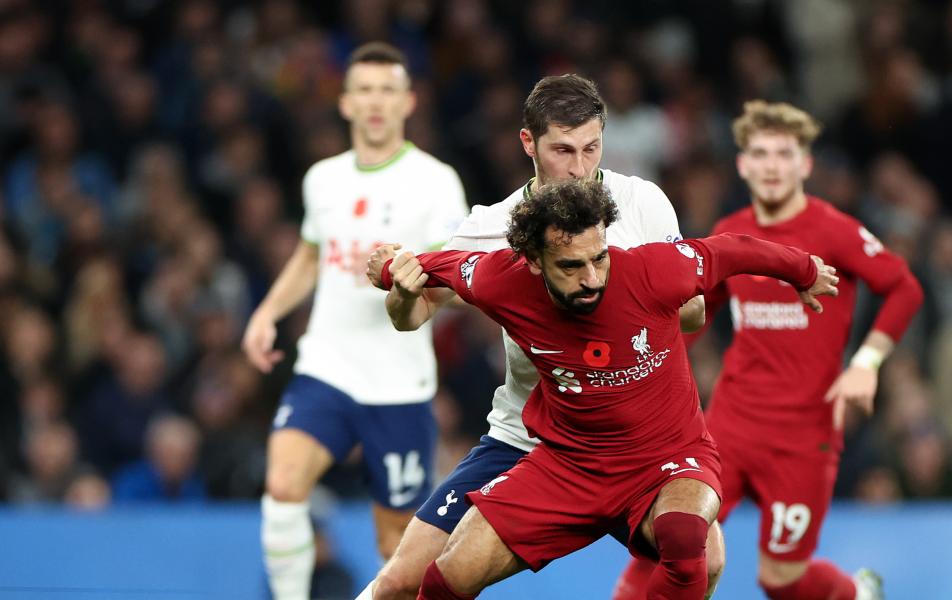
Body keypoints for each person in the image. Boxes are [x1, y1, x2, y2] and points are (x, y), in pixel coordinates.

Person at [382, 177, 839, 600]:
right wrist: (387, 269)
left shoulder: (654, 270)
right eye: (571, 265)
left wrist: (803, 271)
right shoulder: (500, 280)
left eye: (598, 258)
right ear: (534, 261)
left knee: (687, 541)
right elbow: (433, 266)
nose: (592, 278)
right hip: (568, 463)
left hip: (666, 458)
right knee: (451, 573)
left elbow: (733, 251)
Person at [356, 74, 721, 600]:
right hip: (529, 441)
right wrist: (403, 291)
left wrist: (619, 290)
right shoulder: (491, 227)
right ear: (528, 143)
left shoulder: (641, 202)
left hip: (639, 446)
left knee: (703, 560)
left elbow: (692, 314)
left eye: (591, 148)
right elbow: (411, 316)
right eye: (563, 150)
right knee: (399, 582)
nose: (580, 168)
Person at [613, 100, 924, 600]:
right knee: (665, 541)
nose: (772, 166)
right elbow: (698, 312)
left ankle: (858, 593)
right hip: (729, 425)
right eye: (760, 154)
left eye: (784, 154)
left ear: (805, 164)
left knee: (782, 580)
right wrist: (646, 367)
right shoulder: (730, 231)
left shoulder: (834, 230)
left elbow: (904, 288)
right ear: (743, 164)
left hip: (805, 435)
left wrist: (866, 363)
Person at [240, 42, 468, 600]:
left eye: (388, 90)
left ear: (408, 102)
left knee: (396, 547)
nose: (375, 102)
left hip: (399, 382)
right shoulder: (323, 179)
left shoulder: (435, 181)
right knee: (283, 486)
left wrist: (411, 283)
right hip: (328, 366)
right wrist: (268, 312)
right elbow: (311, 255)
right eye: (364, 90)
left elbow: (460, 276)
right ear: (344, 103)